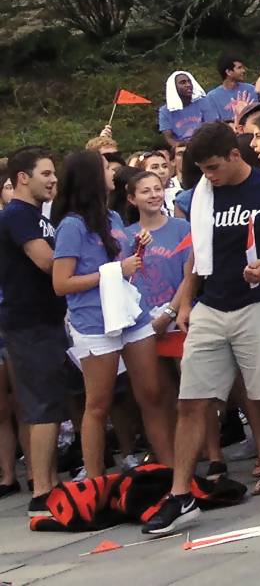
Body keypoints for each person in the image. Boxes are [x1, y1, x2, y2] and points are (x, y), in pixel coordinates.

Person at [144, 123, 260, 534]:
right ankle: (181, 495)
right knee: (192, 400)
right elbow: (197, 253)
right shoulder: (202, 195)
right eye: (202, 169)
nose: (209, 176)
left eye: (214, 167)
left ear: (236, 156)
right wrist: (185, 300)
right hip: (211, 305)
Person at [50, 151, 172, 483]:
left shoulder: (113, 218)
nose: (111, 172)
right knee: (98, 403)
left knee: (152, 393)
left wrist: (136, 252)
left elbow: (124, 268)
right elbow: (62, 283)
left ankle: (172, 470)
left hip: (130, 315)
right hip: (94, 322)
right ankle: (94, 480)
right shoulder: (72, 226)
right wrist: (115, 270)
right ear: (90, 176)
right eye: (105, 168)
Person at [1, 147, 65, 517]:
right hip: (28, 323)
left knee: (49, 403)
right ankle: (42, 491)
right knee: (41, 405)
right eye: (45, 173)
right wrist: (83, 264)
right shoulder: (18, 216)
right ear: (23, 177)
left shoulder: (38, 216)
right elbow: (46, 261)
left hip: (45, 320)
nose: (53, 179)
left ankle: (51, 482)